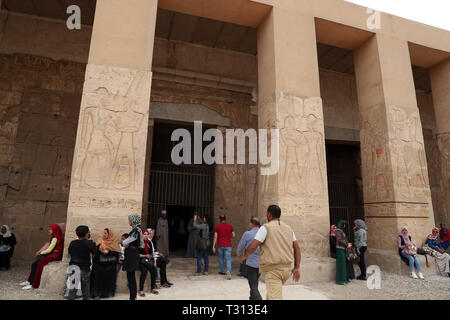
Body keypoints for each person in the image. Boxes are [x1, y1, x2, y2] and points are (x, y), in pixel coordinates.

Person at [241, 205, 301, 300]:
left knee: (274, 297)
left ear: (269, 214)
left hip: (274, 271)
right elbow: (297, 248)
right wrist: (297, 267)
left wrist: (245, 255)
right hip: (287, 270)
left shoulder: (266, 228)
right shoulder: (288, 228)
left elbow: (253, 246)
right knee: (271, 295)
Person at [21, 224, 64, 289]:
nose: (49, 231)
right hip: (53, 254)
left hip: (55, 255)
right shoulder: (56, 236)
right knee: (35, 264)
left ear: (54, 230)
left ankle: (34, 284)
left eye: (50, 229)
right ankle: (30, 281)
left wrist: (41, 253)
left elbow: (50, 249)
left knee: (39, 263)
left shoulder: (55, 237)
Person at [66, 225, 97, 300]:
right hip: (84, 268)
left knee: (72, 290)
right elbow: (94, 255)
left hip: (73, 267)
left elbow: (69, 254)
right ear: (87, 234)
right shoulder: (90, 243)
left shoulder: (72, 243)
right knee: (85, 290)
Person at [237, 217, 262, 300]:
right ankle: (252, 298)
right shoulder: (263, 233)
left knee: (253, 285)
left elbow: (240, 248)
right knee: (255, 283)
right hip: (261, 263)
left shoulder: (247, 234)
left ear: (251, 224)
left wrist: (240, 254)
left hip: (251, 263)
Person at [91, 228, 121, 299]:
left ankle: (107, 293)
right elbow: (95, 251)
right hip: (100, 264)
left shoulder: (114, 243)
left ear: (109, 234)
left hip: (110, 266)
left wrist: (108, 252)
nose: (104, 235)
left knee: (109, 280)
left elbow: (117, 254)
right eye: (103, 233)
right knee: (98, 280)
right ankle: (97, 294)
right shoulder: (100, 241)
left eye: (105, 233)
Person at [122, 214, 145, 300]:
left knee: (131, 277)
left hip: (132, 256)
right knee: (130, 277)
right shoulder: (136, 230)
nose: (128, 221)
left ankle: (132, 297)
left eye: (129, 220)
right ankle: (133, 296)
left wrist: (124, 243)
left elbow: (125, 243)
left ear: (133, 220)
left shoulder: (135, 231)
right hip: (132, 255)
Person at [212, 215, 235, 280]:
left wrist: (213, 246)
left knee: (221, 258)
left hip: (220, 245)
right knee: (228, 259)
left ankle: (222, 271)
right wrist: (229, 237)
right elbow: (234, 235)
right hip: (228, 245)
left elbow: (215, 237)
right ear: (225, 219)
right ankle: (228, 271)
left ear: (220, 220)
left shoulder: (217, 227)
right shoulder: (230, 226)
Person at [138, 229, 159, 297]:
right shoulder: (139, 243)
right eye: (144, 234)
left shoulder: (149, 243)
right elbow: (137, 255)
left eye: (147, 234)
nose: (146, 235)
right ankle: (141, 290)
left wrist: (152, 260)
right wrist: (145, 256)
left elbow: (151, 253)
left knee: (153, 270)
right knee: (144, 272)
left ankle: (152, 288)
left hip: (147, 260)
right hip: (140, 261)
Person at [335, 220, 352, 285]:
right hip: (340, 249)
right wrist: (347, 244)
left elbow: (343, 239)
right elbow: (339, 240)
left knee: (344, 264)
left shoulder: (340, 231)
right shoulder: (338, 231)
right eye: (344, 224)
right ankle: (340, 280)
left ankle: (344, 279)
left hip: (343, 249)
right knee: (341, 265)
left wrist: (348, 243)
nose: (345, 226)